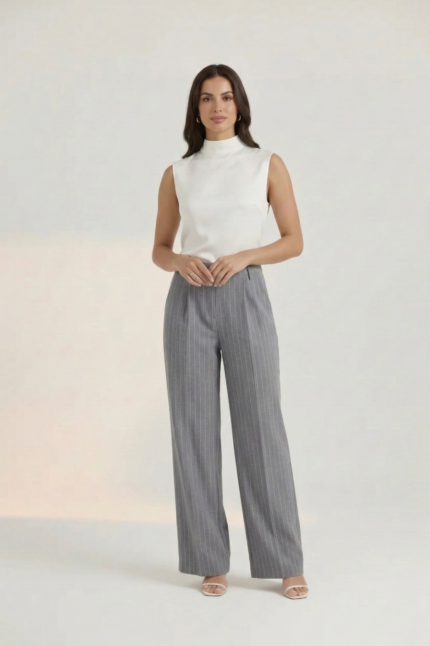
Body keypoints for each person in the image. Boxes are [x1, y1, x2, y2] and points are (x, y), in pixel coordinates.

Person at [152, 63, 309, 600]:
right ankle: (208, 560)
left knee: (262, 427)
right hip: (188, 302)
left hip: (245, 295)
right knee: (193, 432)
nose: (217, 106)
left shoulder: (266, 164)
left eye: (225, 96)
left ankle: (284, 560)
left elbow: (293, 239)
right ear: (195, 110)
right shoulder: (178, 172)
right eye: (206, 98)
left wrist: (244, 256)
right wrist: (179, 262)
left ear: (239, 105)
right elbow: (160, 248)